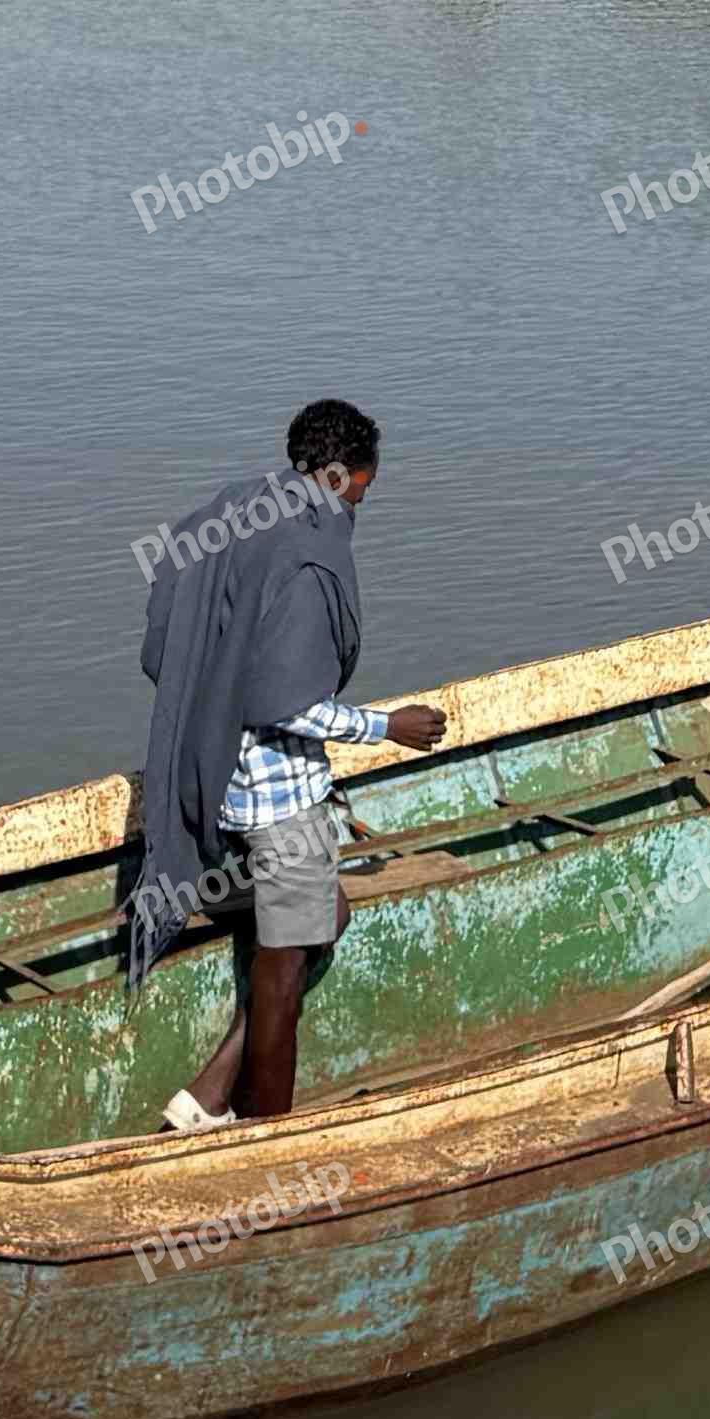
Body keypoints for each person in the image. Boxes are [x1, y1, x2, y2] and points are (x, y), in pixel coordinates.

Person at [129, 398, 447, 1126]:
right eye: (361, 490)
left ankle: (208, 1093)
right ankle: (267, 1136)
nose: (360, 505)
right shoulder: (303, 558)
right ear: (335, 476)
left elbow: (169, 633)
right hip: (281, 803)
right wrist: (387, 726)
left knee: (327, 915)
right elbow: (285, 703)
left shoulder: (235, 513)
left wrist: (213, 699)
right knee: (280, 979)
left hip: (221, 779)